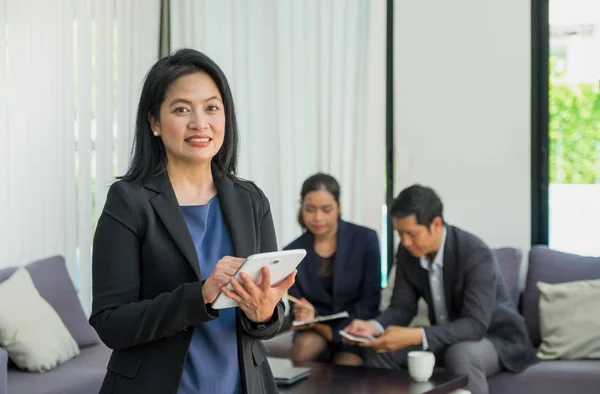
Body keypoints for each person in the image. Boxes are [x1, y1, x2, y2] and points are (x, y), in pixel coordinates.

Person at [89, 48, 296, 394]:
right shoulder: (129, 201)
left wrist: (264, 312)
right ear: (154, 122)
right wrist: (199, 296)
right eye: (182, 109)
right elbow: (110, 323)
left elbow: (269, 318)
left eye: (211, 108)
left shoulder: (250, 199)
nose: (200, 123)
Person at [343, 185, 537, 394]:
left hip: (496, 338)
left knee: (461, 354)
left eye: (412, 233)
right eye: (400, 233)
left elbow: (475, 325)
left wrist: (415, 335)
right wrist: (374, 327)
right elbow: (402, 307)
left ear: (436, 224)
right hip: (445, 337)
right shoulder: (409, 253)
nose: (405, 242)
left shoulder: (475, 253)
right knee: (380, 352)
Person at [283, 173, 381, 366]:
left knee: (347, 366)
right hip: (314, 329)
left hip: (354, 328)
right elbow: (295, 305)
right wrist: (304, 315)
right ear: (302, 209)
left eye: (326, 209)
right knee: (303, 351)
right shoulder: (291, 252)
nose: (318, 217)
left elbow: (370, 301)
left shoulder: (365, 240)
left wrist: (334, 332)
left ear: (339, 207)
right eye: (310, 209)